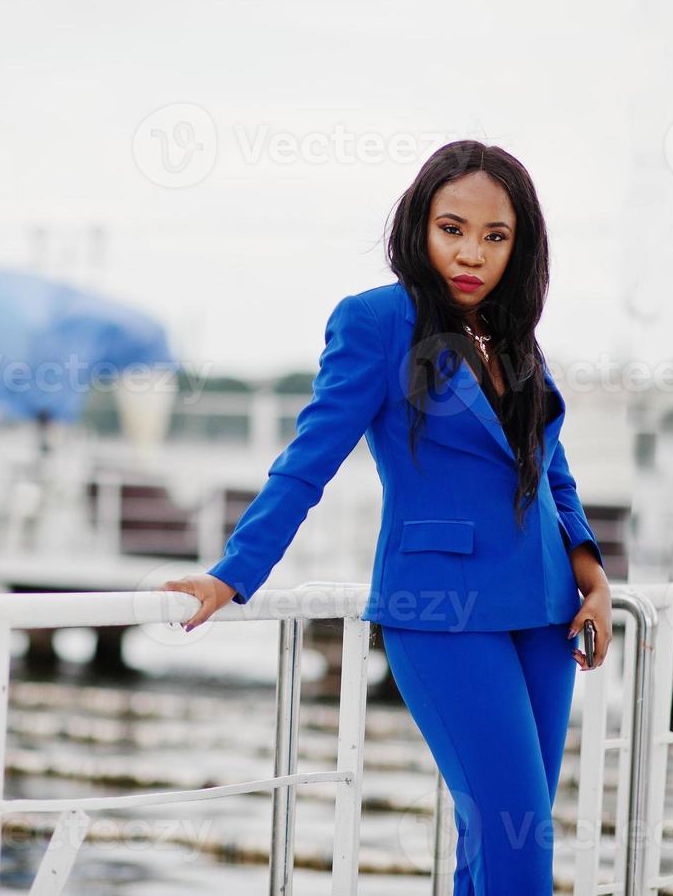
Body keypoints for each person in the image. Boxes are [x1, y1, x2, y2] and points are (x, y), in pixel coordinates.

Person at [160, 140, 612, 894]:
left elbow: (549, 465)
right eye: (452, 228)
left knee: (497, 844)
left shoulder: (511, 333)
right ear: (418, 226)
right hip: (440, 610)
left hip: (544, 612)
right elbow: (308, 461)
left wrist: (592, 577)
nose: (471, 253)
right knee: (519, 847)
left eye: (494, 237)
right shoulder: (376, 321)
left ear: (519, 245)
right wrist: (231, 574)